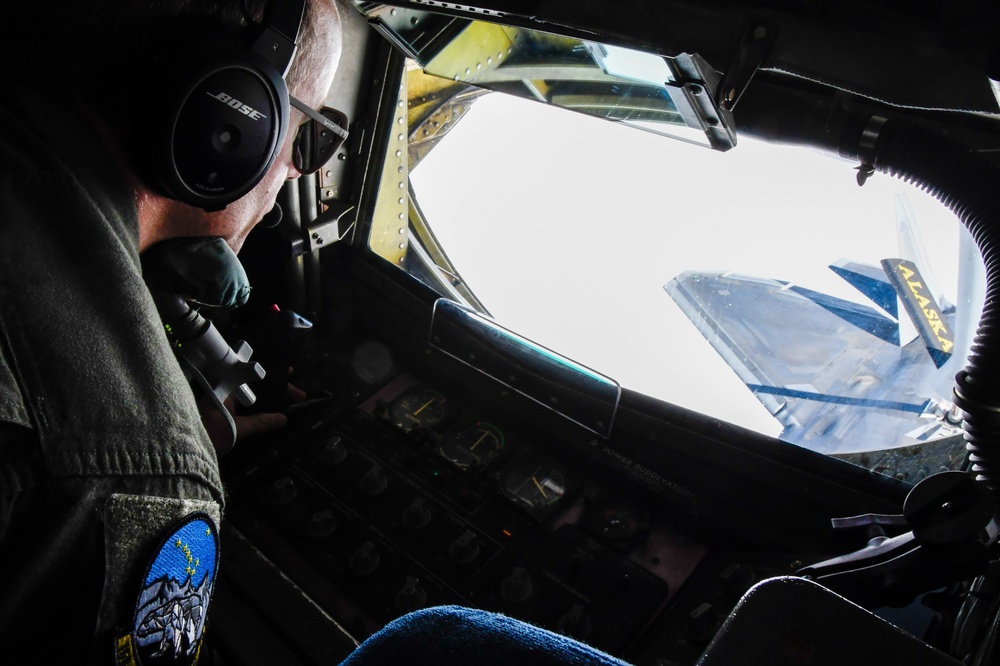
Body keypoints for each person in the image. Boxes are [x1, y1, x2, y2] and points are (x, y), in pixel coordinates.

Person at [0, 0, 343, 661]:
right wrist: (154, 466)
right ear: (231, 112)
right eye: (306, 138)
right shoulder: (147, 479)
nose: (300, 172)